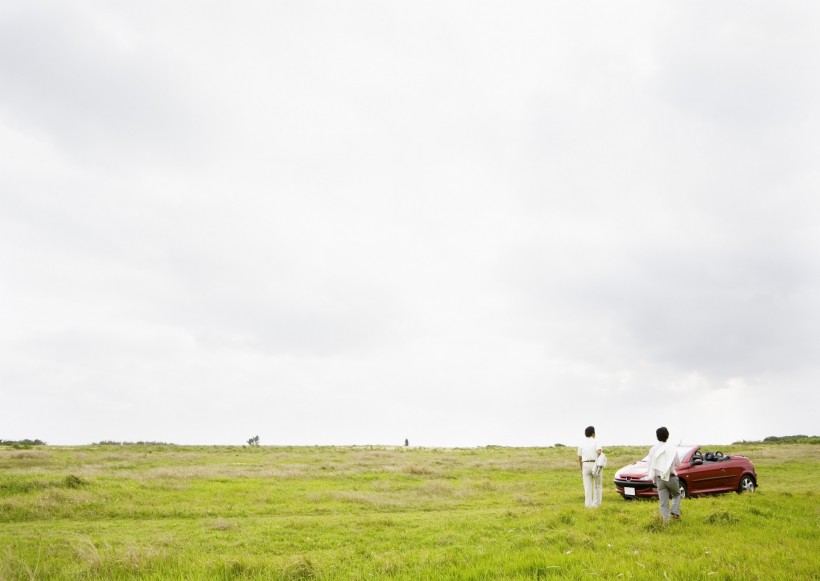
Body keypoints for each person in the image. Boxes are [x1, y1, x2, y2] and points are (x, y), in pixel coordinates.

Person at [647, 426, 682, 522]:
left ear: (657, 436)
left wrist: (653, 479)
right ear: (668, 436)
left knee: (663, 503)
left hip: (659, 479)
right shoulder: (672, 448)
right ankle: (675, 512)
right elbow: (678, 464)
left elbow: (650, 465)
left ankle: (665, 522)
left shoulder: (653, 449)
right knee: (676, 494)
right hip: (671, 477)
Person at [577, 426, 603, 508]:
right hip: (595, 464)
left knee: (587, 487)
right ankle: (596, 505)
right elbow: (599, 452)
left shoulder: (581, 443)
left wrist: (582, 469)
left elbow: (580, 458)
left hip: (585, 465)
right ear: (593, 433)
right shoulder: (596, 441)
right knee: (597, 485)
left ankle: (588, 505)